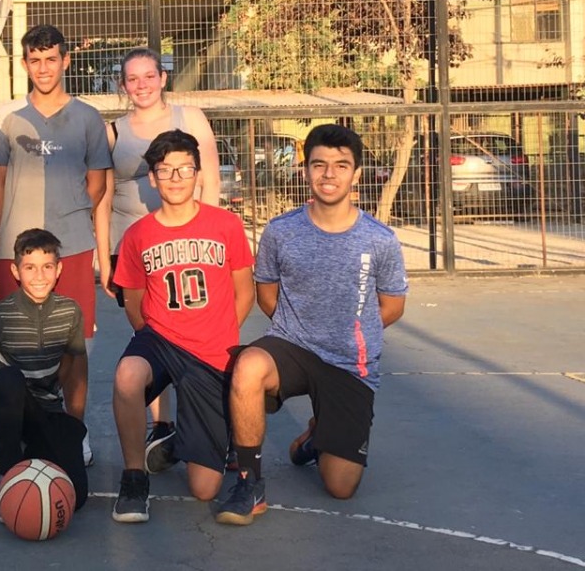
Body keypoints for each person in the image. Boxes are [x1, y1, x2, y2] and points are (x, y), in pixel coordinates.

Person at [216, 124, 408, 526]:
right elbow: (266, 291)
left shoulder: (380, 240)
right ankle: (250, 485)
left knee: (341, 487)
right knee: (248, 366)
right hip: (293, 346)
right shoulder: (282, 231)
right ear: (305, 170)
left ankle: (316, 436)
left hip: (348, 363)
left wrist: (349, 330)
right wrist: (297, 327)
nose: (329, 174)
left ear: (356, 173)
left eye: (341, 165)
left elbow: (392, 306)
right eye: (319, 164)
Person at [110, 130, 254, 523]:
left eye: (184, 169)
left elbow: (245, 293)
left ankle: (181, 442)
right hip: (161, 340)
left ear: (198, 173)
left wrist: (220, 334)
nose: (175, 178)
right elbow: (135, 305)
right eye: (165, 170)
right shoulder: (138, 235)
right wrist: (156, 335)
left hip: (210, 350)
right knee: (127, 374)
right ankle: (134, 478)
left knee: (204, 490)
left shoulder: (226, 225)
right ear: (153, 178)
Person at [0, 24, 110, 463]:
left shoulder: (88, 118)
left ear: (66, 61)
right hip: (15, 252)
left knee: (74, 346)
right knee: (14, 344)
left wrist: (71, 213)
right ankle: (25, 428)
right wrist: (12, 234)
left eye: (51, 58)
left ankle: (72, 431)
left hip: (72, 246)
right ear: (24, 64)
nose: (43, 67)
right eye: (34, 60)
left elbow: (97, 182)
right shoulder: (7, 117)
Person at [96, 48, 224, 458]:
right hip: (133, 247)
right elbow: (102, 197)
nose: (142, 85)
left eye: (148, 76)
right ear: (123, 85)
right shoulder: (113, 131)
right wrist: (103, 256)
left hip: (189, 248)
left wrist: (213, 236)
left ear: (163, 78)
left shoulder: (190, 118)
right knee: (148, 330)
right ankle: (161, 425)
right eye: (132, 79)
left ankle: (201, 413)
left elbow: (211, 180)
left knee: (195, 327)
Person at [0, 228, 89, 511]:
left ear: (59, 269)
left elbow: (77, 368)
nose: (39, 276)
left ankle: (32, 449)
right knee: (9, 380)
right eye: (30, 267)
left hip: (46, 410)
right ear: (16, 271)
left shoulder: (70, 312)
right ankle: (9, 471)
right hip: (8, 406)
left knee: (75, 498)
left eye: (47, 267)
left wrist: (74, 426)